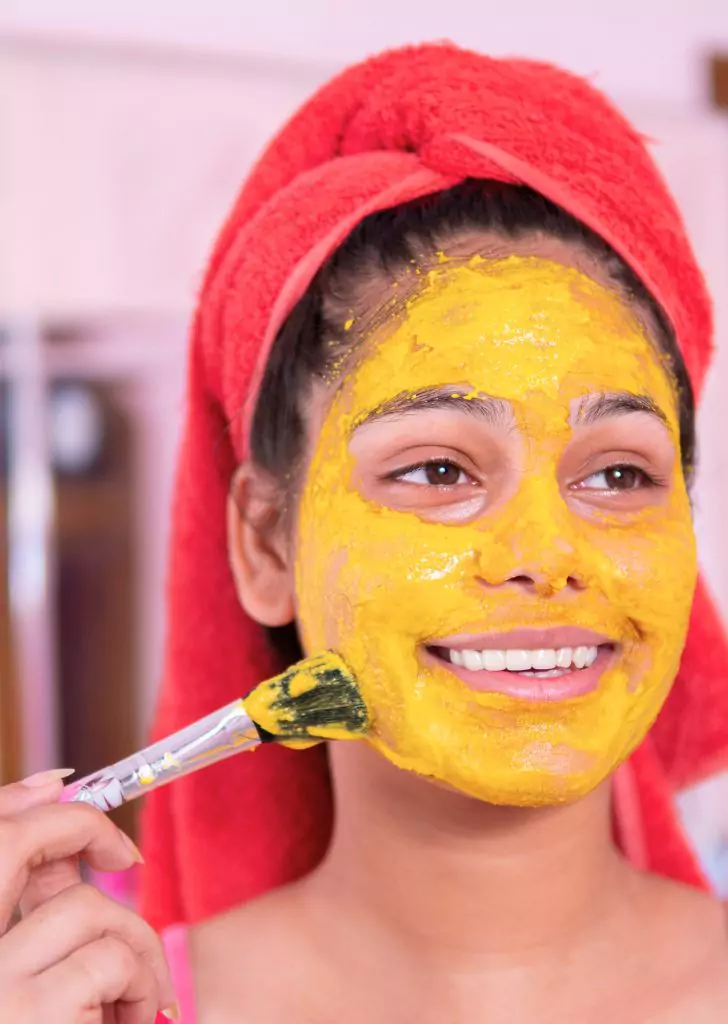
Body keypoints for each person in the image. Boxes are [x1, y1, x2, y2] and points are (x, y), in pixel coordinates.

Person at [2, 43, 728, 1023]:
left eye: (615, 472)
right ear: (265, 544)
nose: (544, 554)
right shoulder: (89, 995)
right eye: (438, 470)